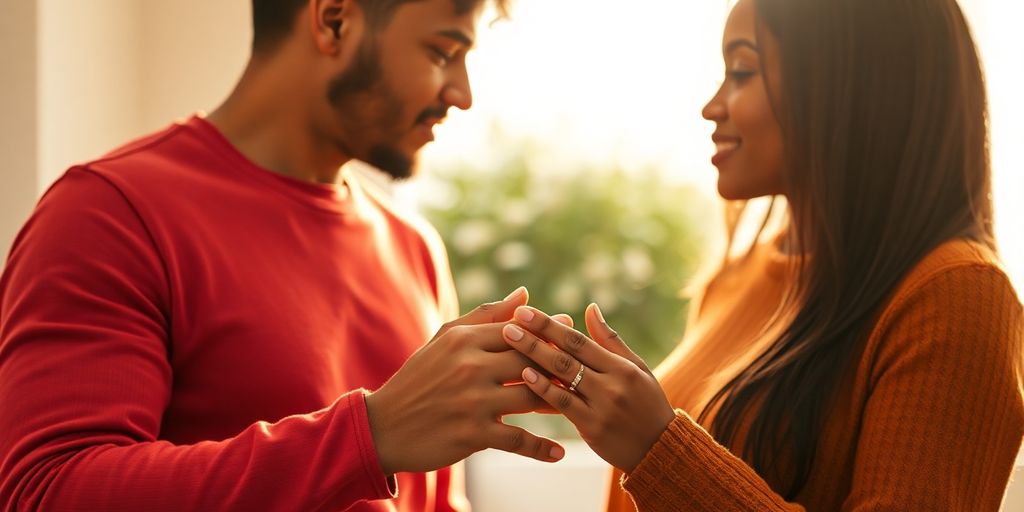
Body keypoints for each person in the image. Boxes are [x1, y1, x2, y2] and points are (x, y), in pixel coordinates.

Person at [0, 0, 567, 510]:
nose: (461, 95)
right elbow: (48, 491)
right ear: (333, 20)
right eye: (444, 51)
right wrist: (367, 438)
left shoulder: (413, 246)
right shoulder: (110, 214)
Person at [501, 0, 1024, 510]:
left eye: (743, 71)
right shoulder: (739, 278)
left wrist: (659, 449)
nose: (712, 106)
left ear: (850, 87)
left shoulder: (957, 298)